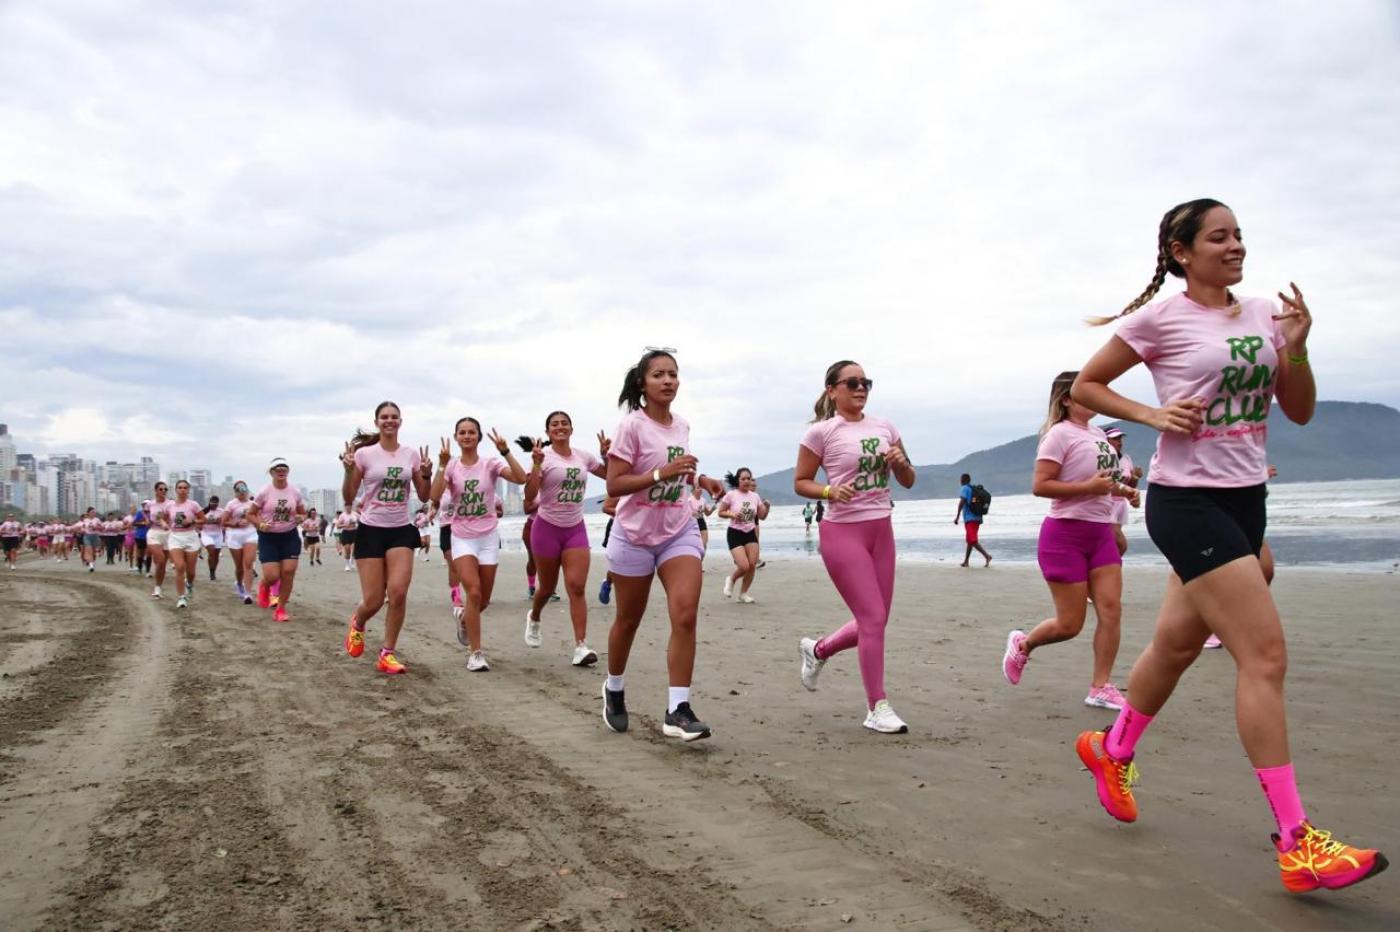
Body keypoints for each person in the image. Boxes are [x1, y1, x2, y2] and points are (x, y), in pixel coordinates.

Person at [1070, 197, 1385, 892]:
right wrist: (1151, 413)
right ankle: (1297, 842)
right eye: (1220, 237)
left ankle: (1112, 748)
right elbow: (1088, 383)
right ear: (1183, 252)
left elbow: (1297, 410)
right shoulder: (1160, 318)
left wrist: (1296, 349)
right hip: (1187, 504)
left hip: (1247, 501)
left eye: (1240, 234)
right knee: (1265, 656)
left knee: (1177, 647)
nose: (1236, 245)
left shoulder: (1268, 312)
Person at [602, 348, 727, 742]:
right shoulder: (631, 427)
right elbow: (614, 484)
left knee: (686, 614)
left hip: (677, 529)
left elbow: (678, 471)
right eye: (659, 374)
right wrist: (660, 473)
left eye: (673, 374)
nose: (668, 381)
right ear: (643, 382)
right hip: (634, 535)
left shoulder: (682, 425)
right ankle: (614, 688)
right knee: (628, 620)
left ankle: (678, 710)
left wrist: (700, 480)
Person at [1001, 371, 1139, 711]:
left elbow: (1103, 481)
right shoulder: (1058, 436)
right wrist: (1087, 489)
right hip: (1064, 535)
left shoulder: (1098, 435)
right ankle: (1023, 644)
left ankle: (1101, 686)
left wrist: (1126, 491)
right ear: (1066, 399)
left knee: (1111, 609)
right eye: (1085, 391)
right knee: (1070, 624)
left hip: (1101, 532)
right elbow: (1041, 485)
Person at [794, 360, 917, 734]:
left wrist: (899, 463)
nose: (860, 388)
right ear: (832, 390)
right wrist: (830, 490)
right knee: (873, 618)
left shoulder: (885, 427)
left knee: (874, 618)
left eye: (866, 382)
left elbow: (909, 480)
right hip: (842, 531)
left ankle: (818, 651)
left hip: (881, 529)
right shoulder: (821, 433)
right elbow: (801, 482)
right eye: (852, 383)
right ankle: (876, 706)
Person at [340, 401, 432, 675]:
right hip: (371, 530)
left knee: (399, 592)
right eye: (384, 417)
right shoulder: (365, 455)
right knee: (374, 600)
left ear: (400, 422)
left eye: (394, 417)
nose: (389, 421)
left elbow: (425, 495)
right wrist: (347, 470)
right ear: (377, 421)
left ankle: (387, 653)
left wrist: (427, 473)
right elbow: (348, 496)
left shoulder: (411, 454)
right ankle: (358, 622)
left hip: (401, 529)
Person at [430, 417, 528, 671]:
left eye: (471, 432)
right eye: (462, 432)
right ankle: (476, 654)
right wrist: (441, 466)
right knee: (472, 592)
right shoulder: (451, 467)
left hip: (488, 537)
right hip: (462, 536)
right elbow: (433, 495)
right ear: (456, 438)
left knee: (482, 600)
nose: (466, 436)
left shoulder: (490, 464)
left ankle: (464, 619)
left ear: (479, 436)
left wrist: (505, 451)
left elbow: (520, 478)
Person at [523, 412, 609, 667]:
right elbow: (529, 496)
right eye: (554, 425)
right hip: (546, 528)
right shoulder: (543, 457)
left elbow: (611, 477)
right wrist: (536, 465)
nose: (560, 427)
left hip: (575, 529)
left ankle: (581, 646)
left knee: (576, 586)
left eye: (564, 424)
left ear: (571, 429)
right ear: (548, 432)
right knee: (547, 589)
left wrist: (606, 456)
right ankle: (535, 616)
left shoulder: (583, 456)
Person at [248, 457, 306, 623]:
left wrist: (301, 517)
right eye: (277, 469)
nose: (281, 471)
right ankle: (264, 585)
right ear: (271, 472)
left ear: (288, 471)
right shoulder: (264, 492)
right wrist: (260, 524)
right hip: (268, 537)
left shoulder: (295, 491)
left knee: (288, 572)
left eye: (284, 468)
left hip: (289, 535)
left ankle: (281, 609)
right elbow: (250, 514)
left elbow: (302, 512)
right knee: (272, 576)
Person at [718, 468, 770, 603]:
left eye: (749, 478)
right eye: (743, 479)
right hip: (735, 532)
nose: (747, 481)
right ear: (738, 481)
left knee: (752, 565)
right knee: (744, 566)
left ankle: (743, 594)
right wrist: (732, 514)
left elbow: (762, 516)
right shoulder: (731, 495)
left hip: (750, 532)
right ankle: (731, 579)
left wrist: (767, 507)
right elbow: (721, 512)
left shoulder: (755, 496)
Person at [164, 480, 204, 609]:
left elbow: (203, 520)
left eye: (185, 488)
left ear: (188, 490)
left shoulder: (193, 505)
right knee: (180, 567)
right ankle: (181, 597)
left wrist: (191, 521)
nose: (182, 490)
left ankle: (190, 584)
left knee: (191, 572)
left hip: (191, 537)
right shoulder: (170, 506)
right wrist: (164, 523)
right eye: (180, 488)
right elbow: (162, 517)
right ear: (175, 490)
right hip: (176, 537)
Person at [1103, 428, 1141, 556]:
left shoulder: (1126, 459)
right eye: (1115, 439)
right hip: (1107, 503)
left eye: (1120, 439)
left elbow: (1130, 486)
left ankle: (1107, 569)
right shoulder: (1102, 460)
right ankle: (1110, 567)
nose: (1120, 442)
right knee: (1120, 544)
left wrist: (1135, 477)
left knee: (1112, 544)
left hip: (1121, 505)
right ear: (1106, 441)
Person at [223, 481, 258, 604]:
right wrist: (236, 523)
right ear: (235, 492)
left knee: (248, 564)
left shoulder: (253, 504)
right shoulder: (231, 504)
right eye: (239, 491)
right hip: (234, 536)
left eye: (244, 490)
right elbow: (223, 522)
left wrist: (257, 523)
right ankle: (239, 583)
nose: (242, 493)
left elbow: (258, 518)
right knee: (239, 567)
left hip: (250, 534)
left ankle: (248, 594)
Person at [954, 473, 992, 567]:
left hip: (971, 519)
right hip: (977, 517)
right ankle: (966, 561)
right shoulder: (972, 488)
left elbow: (962, 502)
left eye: (961, 479)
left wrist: (957, 516)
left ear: (962, 480)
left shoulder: (965, 488)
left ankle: (987, 556)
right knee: (969, 540)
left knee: (972, 540)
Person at [144, 482, 171, 597]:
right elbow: (146, 516)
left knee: (163, 564)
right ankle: (157, 587)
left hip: (167, 534)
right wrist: (147, 521)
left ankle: (158, 587)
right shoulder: (150, 504)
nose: (163, 491)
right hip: (154, 533)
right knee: (160, 559)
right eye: (161, 489)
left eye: (165, 489)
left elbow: (175, 517)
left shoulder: (171, 504)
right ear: (155, 491)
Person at [199, 495, 225, 581]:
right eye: (213, 503)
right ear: (209, 502)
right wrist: (203, 523)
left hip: (218, 534)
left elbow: (225, 522)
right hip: (206, 534)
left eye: (216, 503)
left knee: (216, 554)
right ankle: (211, 571)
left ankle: (213, 572)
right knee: (212, 551)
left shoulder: (221, 511)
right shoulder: (204, 511)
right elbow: (198, 522)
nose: (214, 505)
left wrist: (221, 521)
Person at [690, 484, 716, 559]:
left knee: (704, 544)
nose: (700, 489)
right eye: (698, 488)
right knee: (694, 544)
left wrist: (713, 509)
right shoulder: (689, 500)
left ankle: (700, 562)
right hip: (692, 522)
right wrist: (692, 513)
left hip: (701, 520)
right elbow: (684, 514)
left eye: (701, 488)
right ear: (693, 491)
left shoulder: (703, 500)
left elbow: (707, 514)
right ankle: (695, 561)